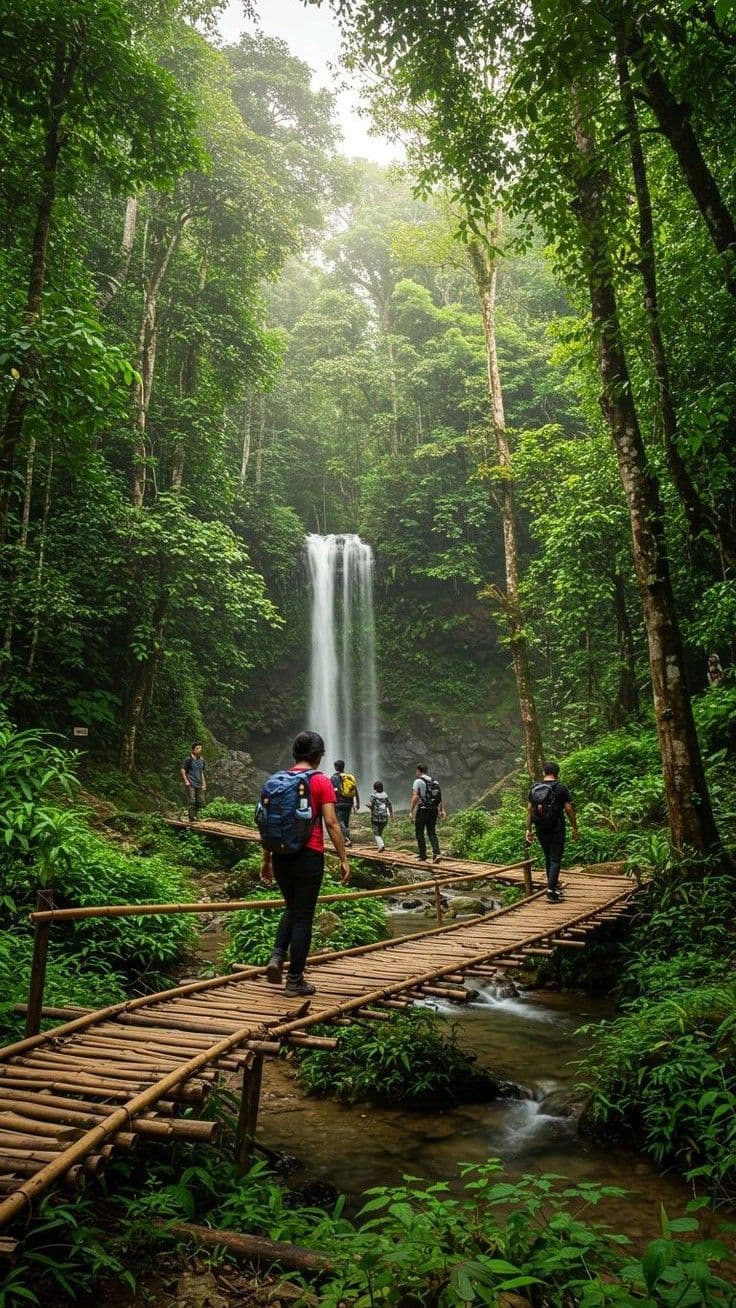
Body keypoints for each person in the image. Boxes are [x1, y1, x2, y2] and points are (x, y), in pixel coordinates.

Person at [260, 731, 350, 997]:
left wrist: (266, 860)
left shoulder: (276, 781)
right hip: (308, 855)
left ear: (295, 754)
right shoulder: (320, 781)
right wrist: (344, 858)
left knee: (292, 907)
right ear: (318, 756)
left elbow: (266, 822)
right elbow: (332, 823)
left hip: (281, 855)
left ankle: (277, 957)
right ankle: (295, 980)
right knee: (303, 916)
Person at [526, 761, 579, 903]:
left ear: (544, 772)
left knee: (548, 856)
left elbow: (530, 809)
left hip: (540, 827)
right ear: (557, 773)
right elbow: (568, 809)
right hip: (556, 827)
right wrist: (575, 827)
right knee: (555, 858)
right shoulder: (561, 788)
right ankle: (551, 891)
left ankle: (552, 887)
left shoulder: (534, 787)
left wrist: (528, 829)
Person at [409, 763, 446, 863]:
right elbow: (440, 797)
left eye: (416, 771)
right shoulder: (435, 782)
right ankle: (437, 853)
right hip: (433, 810)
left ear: (419, 771)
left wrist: (411, 811)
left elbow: (416, 796)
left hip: (423, 810)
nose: (416, 773)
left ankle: (423, 855)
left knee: (419, 832)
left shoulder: (418, 781)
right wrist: (442, 810)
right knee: (432, 832)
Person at [330, 759, 360, 846]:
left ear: (336, 767)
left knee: (339, 820)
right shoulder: (350, 777)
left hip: (339, 803)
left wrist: (330, 803)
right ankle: (347, 838)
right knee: (346, 821)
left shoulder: (334, 777)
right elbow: (355, 790)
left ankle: (346, 839)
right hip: (349, 802)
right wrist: (357, 802)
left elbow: (332, 791)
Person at [180, 742, 206, 823]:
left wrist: (204, 783)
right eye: (197, 748)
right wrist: (186, 781)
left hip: (199, 783)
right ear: (193, 750)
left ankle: (198, 816)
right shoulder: (189, 759)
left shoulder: (201, 760)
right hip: (191, 782)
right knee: (192, 801)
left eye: (200, 748)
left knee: (201, 801)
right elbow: (182, 769)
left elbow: (201, 772)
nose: (199, 750)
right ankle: (192, 818)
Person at [367, 780, 393, 851]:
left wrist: (368, 805)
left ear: (374, 788)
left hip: (376, 817)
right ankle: (380, 844)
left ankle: (381, 845)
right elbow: (389, 805)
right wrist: (391, 815)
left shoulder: (373, 796)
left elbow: (371, 805)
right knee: (379, 832)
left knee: (376, 832)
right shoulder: (385, 795)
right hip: (384, 817)